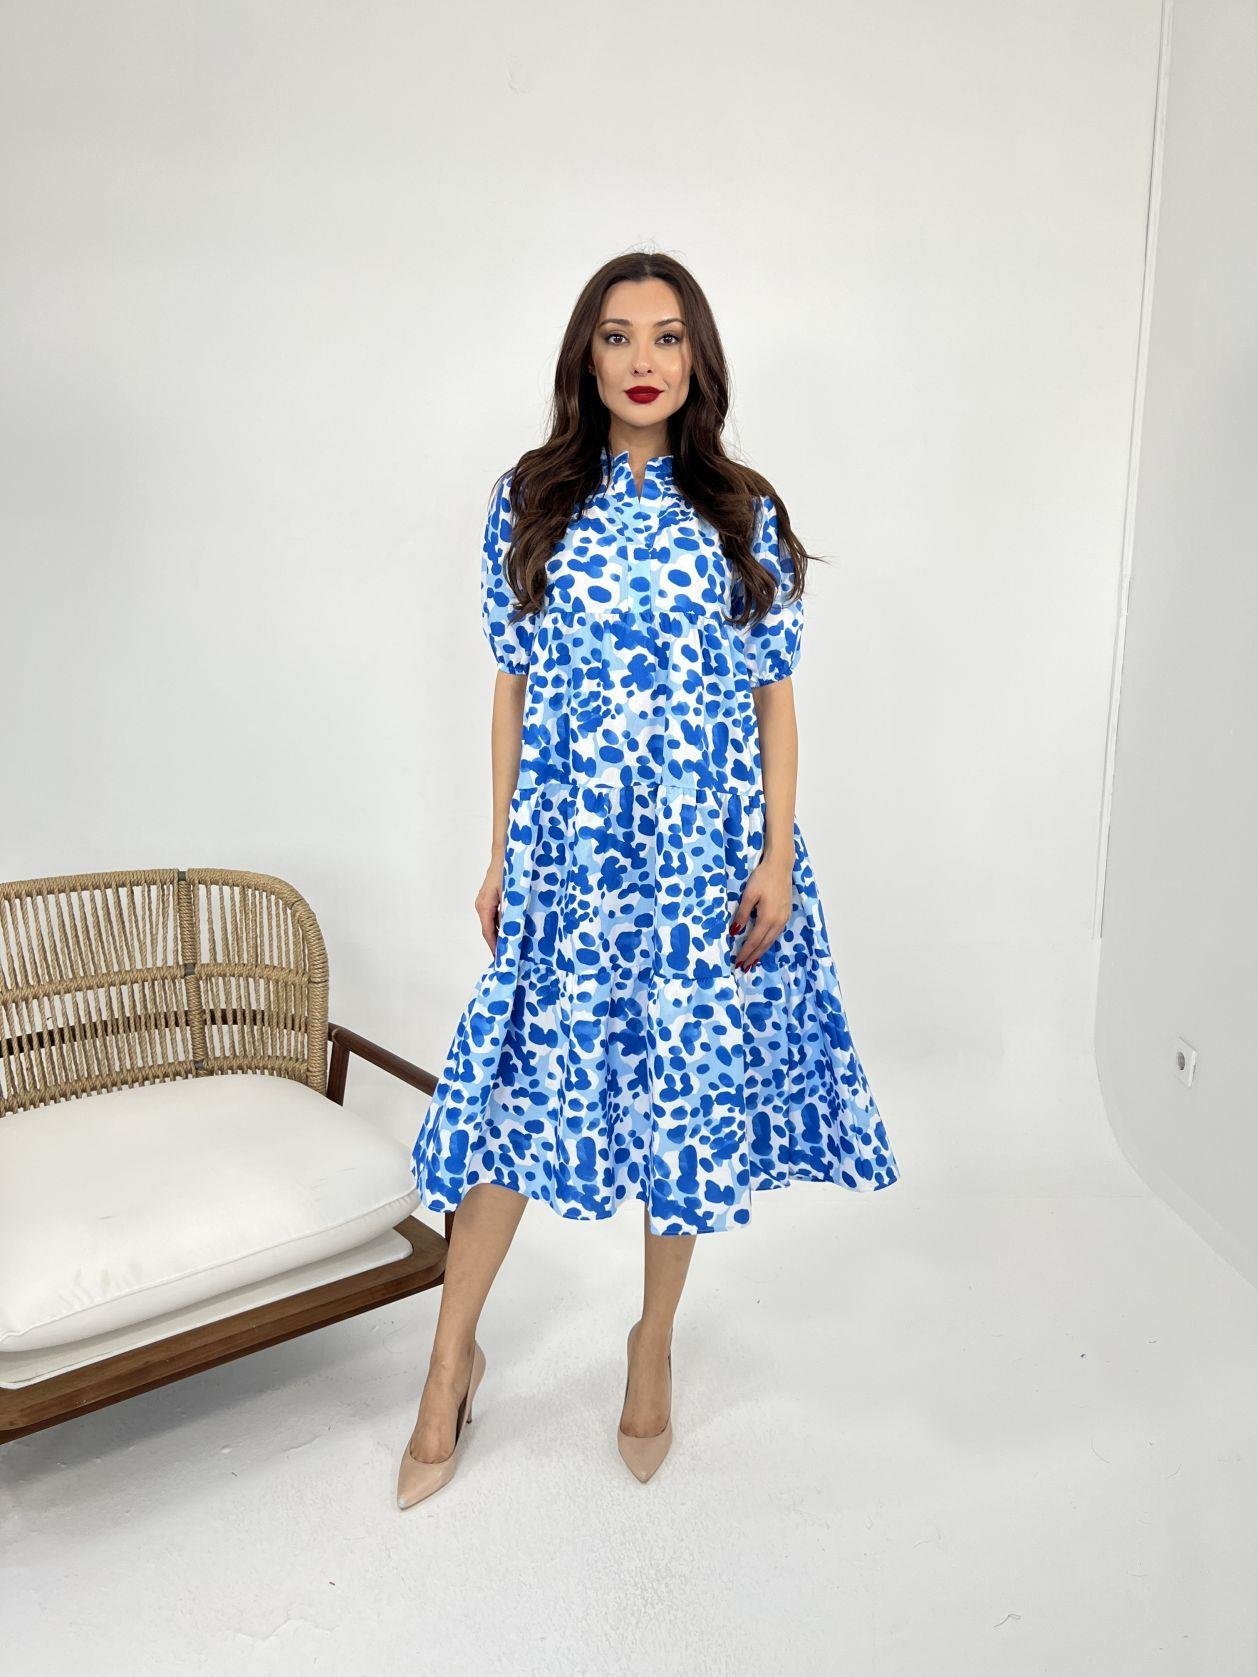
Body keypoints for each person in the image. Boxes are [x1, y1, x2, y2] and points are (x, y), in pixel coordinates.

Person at [398, 251, 901, 1509]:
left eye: (666, 337)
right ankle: (450, 1357)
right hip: (571, 855)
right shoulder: (531, 500)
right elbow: (512, 688)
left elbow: (774, 698)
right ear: (586, 355)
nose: (641, 360)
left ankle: (652, 1341)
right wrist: (503, 850)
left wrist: (775, 853)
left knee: (681, 1093)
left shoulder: (742, 508)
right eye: (617, 335)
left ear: (696, 360)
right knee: (517, 1092)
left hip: (700, 858)